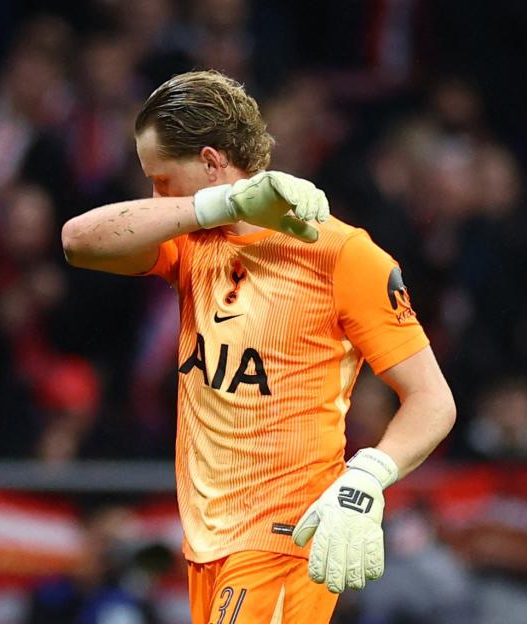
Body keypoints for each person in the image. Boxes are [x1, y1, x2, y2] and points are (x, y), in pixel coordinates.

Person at [61, 70, 456, 624]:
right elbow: (78, 241)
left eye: (163, 180)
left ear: (211, 160)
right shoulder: (192, 239)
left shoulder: (345, 256)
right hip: (208, 545)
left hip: (281, 541)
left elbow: (433, 400)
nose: (155, 199)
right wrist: (215, 206)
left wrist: (366, 478)